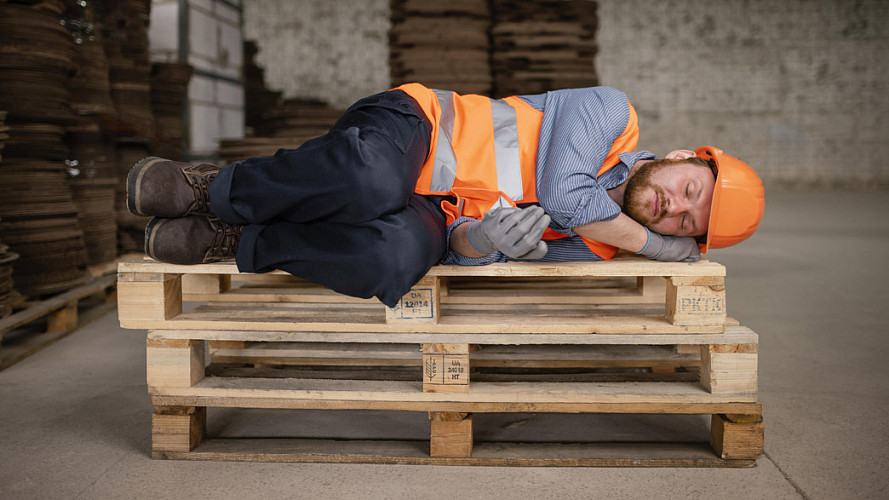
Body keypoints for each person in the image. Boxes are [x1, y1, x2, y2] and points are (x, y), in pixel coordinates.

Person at [126, 83, 765, 307]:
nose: (673, 209)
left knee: (391, 262)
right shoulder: (610, 114)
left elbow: (460, 253)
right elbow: (563, 195)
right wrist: (657, 247)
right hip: (418, 128)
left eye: (687, 223)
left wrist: (481, 243)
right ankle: (214, 189)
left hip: (433, 212)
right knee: (372, 182)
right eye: (688, 190)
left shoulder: (595, 252)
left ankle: (236, 240)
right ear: (683, 156)